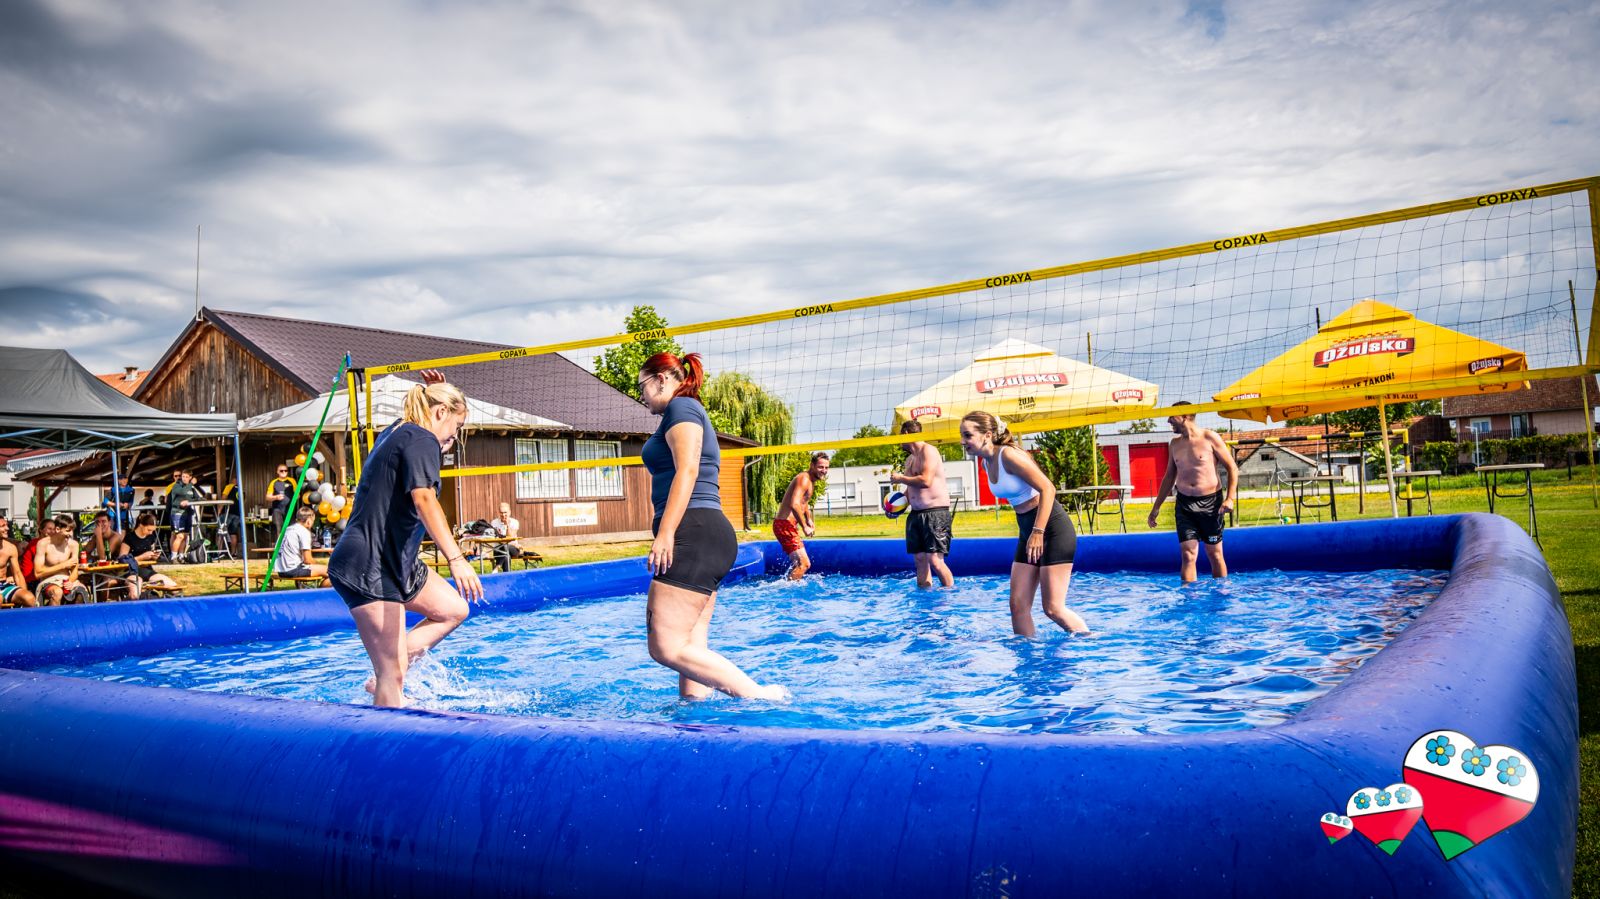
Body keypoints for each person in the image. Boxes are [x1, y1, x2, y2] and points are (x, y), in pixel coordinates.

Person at [327, 377, 483, 708]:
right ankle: (388, 684)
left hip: (396, 561)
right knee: (393, 673)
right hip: (369, 564)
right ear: (440, 412)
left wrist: (441, 392)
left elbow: (429, 413)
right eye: (456, 428)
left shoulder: (400, 430)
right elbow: (424, 499)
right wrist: (456, 559)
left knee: (452, 609)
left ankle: (387, 674)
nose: (453, 438)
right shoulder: (422, 438)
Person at [638, 351, 785, 700]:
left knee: (665, 646)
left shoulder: (682, 407)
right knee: (690, 644)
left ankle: (759, 696)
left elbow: (688, 470)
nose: (640, 395)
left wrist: (665, 533)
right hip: (704, 534)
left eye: (641, 386)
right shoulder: (683, 410)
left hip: (695, 532)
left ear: (661, 379)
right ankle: (693, 714)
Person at [959, 411, 1089, 636]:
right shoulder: (986, 463)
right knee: (1018, 606)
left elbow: (1048, 488)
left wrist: (1038, 531)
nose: (963, 441)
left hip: (1051, 529)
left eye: (968, 435)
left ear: (987, 435)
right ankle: (1026, 654)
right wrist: (1032, 532)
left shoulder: (1009, 456)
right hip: (1027, 530)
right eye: (962, 435)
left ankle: (1090, 642)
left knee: (1053, 608)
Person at [1146, 401, 1239, 582]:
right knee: (1188, 555)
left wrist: (1230, 499)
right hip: (1185, 505)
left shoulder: (1210, 437)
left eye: (1171, 416)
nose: (1168, 421)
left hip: (1211, 504)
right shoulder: (1174, 444)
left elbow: (1232, 468)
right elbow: (1169, 477)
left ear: (1185, 416)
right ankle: (1189, 597)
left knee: (1215, 554)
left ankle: (1221, 594)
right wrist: (1156, 507)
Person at [889, 421, 955, 588]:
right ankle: (925, 598)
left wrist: (900, 478)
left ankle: (950, 595)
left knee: (935, 561)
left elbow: (926, 480)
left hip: (935, 513)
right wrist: (895, 508)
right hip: (916, 515)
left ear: (906, 434)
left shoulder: (929, 451)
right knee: (920, 560)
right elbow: (910, 490)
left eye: (899, 436)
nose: (898, 440)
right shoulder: (910, 459)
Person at [772, 452, 829, 580]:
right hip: (784, 525)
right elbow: (794, 504)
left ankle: (790, 584)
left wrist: (808, 519)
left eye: (826, 467)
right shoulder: (804, 479)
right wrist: (804, 527)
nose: (824, 470)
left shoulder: (810, 481)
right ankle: (788, 589)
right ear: (812, 465)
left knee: (798, 564)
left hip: (787, 525)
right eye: (820, 467)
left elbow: (804, 502)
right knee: (804, 564)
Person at [117, 512, 179, 600]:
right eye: (149, 530)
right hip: (132, 571)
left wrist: (154, 556)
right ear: (141, 525)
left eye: (152, 531)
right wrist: (142, 557)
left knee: (173, 587)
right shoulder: (129, 537)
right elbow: (122, 559)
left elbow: (151, 554)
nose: (150, 533)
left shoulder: (150, 537)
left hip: (147, 571)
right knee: (135, 593)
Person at [33, 513, 87, 605]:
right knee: (57, 592)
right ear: (58, 529)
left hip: (67, 579)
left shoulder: (73, 545)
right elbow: (37, 573)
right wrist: (63, 565)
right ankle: (52, 615)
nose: (71, 534)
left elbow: (74, 571)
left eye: (72, 531)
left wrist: (70, 581)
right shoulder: (43, 544)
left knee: (81, 591)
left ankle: (74, 614)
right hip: (49, 580)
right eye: (68, 531)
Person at [275, 507, 327, 580]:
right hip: (292, 570)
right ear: (308, 521)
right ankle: (322, 588)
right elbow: (307, 560)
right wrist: (318, 565)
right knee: (331, 572)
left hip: (281, 571)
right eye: (313, 521)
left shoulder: (287, 529)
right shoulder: (303, 531)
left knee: (323, 570)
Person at [0, 523, 37, 608]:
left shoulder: (10, 548)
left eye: (6, 525)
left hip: (4, 585)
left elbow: (17, 573)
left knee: (29, 598)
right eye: (2, 526)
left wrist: (24, 591)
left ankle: (24, 617)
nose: (7, 528)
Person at [168, 469, 200, 560]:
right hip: (177, 513)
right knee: (179, 536)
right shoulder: (177, 485)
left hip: (188, 513)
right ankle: (173, 557)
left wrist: (189, 501)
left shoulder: (191, 488)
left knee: (185, 536)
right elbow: (182, 492)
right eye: (183, 476)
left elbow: (198, 498)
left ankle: (181, 556)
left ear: (190, 477)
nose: (184, 478)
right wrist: (191, 484)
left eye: (186, 477)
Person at [487, 502, 522, 572]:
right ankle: (507, 575)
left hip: (513, 549)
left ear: (509, 512)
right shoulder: (494, 523)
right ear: (498, 512)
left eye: (505, 512)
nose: (503, 515)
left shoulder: (514, 522)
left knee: (505, 547)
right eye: (501, 512)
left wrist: (507, 525)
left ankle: (497, 566)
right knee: (506, 555)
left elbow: (510, 538)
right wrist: (505, 542)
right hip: (498, 549)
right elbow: (496, 538)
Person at [266, 464, 296, 537]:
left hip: (290, 509)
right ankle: (279, 544)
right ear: (277, 472)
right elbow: (267, 497)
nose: (284, 472)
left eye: (286, 470)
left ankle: (290, 543)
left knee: (291, 530)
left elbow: (297, 495)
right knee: (278, 530)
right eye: (281, 471)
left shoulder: (292, 481)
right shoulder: (274, 482)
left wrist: (292, 496)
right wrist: (276, 497)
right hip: (277, 510)